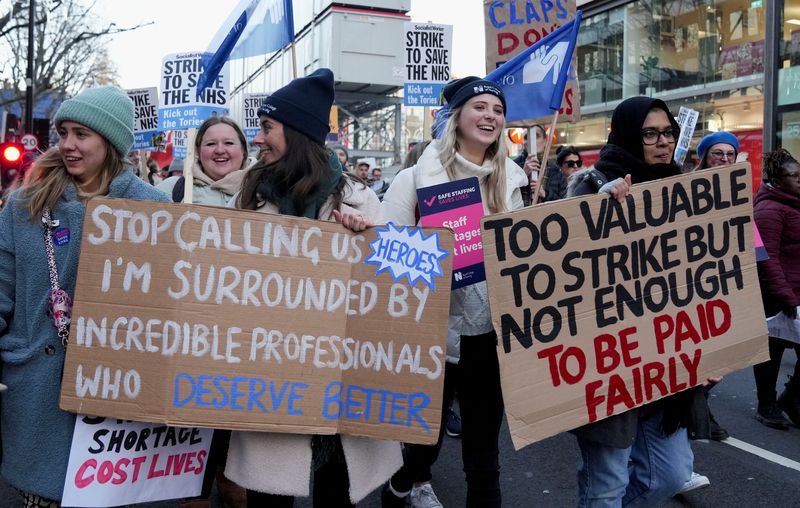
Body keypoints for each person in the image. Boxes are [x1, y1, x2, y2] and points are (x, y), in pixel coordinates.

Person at [225, 68, 401, 507]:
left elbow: (399, 292)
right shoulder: (247, 196)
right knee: (269, 497)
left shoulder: (360, 199)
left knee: (334, 496)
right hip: (267, 377)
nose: (259, 137)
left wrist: (368, 242)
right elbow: (219, 279)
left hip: (341, 379)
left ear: (298, 133)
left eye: (267, 128)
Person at [0, 85, 170, 505]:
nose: (68, 145)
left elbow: (177, 304)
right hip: (38, 393)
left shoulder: (155, 209)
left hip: (117, 403)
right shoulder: (25, 205)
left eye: (82, 134)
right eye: (63, 133)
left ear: (110, 142)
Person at [380, 76, 525, 508]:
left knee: (484, 452)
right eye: (480, 107)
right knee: (427, 438)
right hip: (433, 337)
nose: (490, 116)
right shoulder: (414, 179)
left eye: (497, 110)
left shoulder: (513, 182)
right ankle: (403, 484)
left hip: (491, 338)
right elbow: (387, 258)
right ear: (457, 117)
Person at [567, 96, 706, 507]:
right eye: (650, 133)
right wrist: (596, 208)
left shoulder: (683, 188)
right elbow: (559, 260)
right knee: (607, 484)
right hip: (610, 364)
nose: (663, 142)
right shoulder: (592, 184)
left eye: (669, 133)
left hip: (667, 362)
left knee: (671, 476)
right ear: (627, 134)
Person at [753, 148, 800, 430]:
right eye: (792, 176)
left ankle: (790, 399)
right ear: (776, 179)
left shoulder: (794, 204)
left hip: (796, 291)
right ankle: (767, 404)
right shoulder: (767, 210)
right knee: (771, 354)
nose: (799, 180)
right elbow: (766, 257)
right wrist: (786, 296)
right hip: (778, 294)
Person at [157, 116, 248, 205]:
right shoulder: (171, 188)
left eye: (229, 143)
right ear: (198, 151)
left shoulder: (260, 191)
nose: (220, 150)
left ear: (243, 150)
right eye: (211, 144)